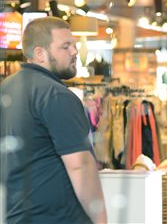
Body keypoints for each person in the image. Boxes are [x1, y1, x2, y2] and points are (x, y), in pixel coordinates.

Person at [0, 17, 107, 224]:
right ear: (40, 53)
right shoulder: (56, 95)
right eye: (65, 47)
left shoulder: (6, 88)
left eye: (74, 45)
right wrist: (101, 220)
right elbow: (80, 166)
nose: (74, 52)